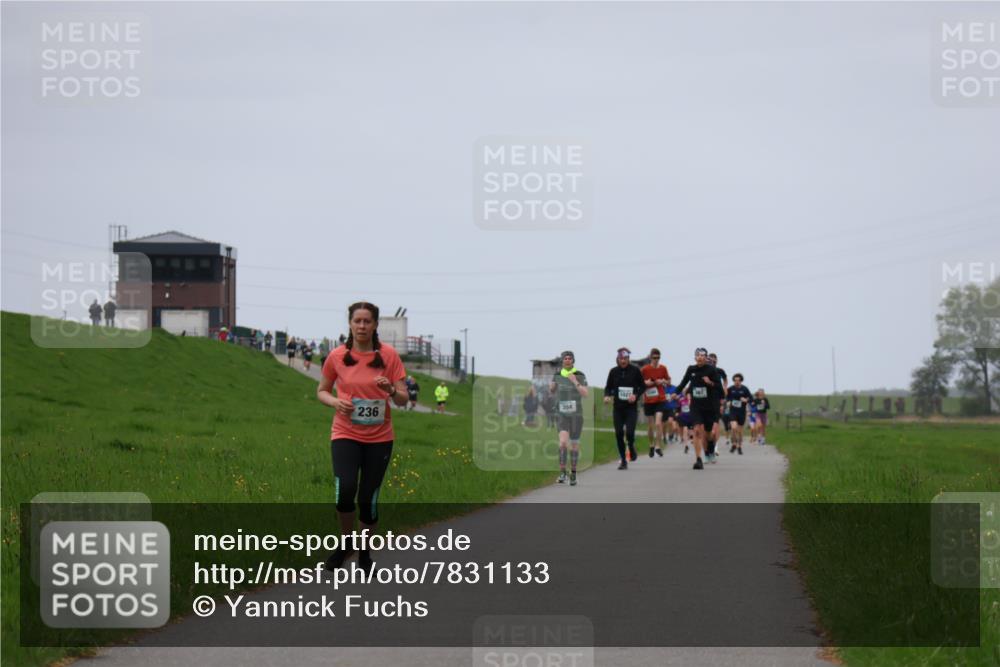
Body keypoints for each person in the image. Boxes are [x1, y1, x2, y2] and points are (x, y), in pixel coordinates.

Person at [317, 301, 408, 572]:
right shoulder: (337, 356)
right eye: (357, 321)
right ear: (350, 323)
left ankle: (365, 552)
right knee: (345, 490)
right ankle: (346, 544)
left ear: (376, 325)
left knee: (367, 498)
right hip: (345, 433)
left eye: (367, 321)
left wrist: (391, 389)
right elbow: (321, 390)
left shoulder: (389, 356)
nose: (362, 326)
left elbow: (403, 399)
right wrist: (335, 403)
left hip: (379, 438)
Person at [673, 348, 725, 470]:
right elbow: (683, 382)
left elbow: (720, 389)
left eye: (703, 355)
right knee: (697, 430)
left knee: (708, 434)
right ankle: (698, 459)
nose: (700, 357)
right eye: (698, 355)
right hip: (696, 406)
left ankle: (710, 448)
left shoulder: (711, 370)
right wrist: (676, 392)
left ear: (706, 358)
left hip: (710, 406)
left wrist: (710, 383)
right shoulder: (691, 369)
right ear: (695, 357)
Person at [603, 347, 645, 470]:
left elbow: (642, 386)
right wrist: (607, 396)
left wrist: (636, 395)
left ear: (628, 359)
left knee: (630, 433)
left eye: (625, 358)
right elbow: (608, 387)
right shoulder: (613, 372)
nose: (623, 361)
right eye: (621, 358)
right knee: (619, 433)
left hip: (631, 408)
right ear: (618, 359)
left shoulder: (635, 371)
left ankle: (631, 447)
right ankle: (623, 460)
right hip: (618, 408)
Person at [550, 350, 587, 486]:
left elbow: (585, 394)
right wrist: (552, 386)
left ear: (573, 361)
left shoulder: (580, 375)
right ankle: (562, 473)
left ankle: (573, 473)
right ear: (562, 361)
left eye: (569, 358)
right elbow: (552, 390)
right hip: (561, 414)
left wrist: (575, 381)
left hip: (576, 415)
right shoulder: (557, 375)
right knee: (563, 442)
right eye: (565, 358)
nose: (567, 360)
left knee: (574, 445)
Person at [640, 348, 671, 458]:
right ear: (650, 357)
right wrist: (646, 383)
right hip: (649, 400)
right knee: (651, 426)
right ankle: (651, 445)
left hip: (660, 399)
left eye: (658, 358)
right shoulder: (644, 369)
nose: (656, 360)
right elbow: (638, 382)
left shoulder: (663, 368)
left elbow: (669, 381)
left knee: (658, 423)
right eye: (654, 358)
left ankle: (658, 446)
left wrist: (663, 381)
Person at [704, 352, 728, 463]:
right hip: (704, 404)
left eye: (714, 361)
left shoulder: (719, 371)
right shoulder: (703, 372)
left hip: (716, 403)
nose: (712, 362)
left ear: (716, 361)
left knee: (714, 431)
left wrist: (725, 387)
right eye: (710, 361)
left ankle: (714, 447)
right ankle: (706, 452)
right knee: (705, 431)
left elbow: (725, 379)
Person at [726, 373, 753, 454]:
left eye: (738, 380)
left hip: (741, 412)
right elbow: (726, 397)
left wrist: (746, 400)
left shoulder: (745, 389)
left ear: (741, 381)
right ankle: (734, 444)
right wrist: (728, 401)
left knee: (740, 431)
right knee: (734, 428)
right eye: (735, 380)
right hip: (733, 411)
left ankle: (739, 446)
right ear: (733, 381)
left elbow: (751, 399)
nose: (737, 382)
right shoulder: (730, 389)